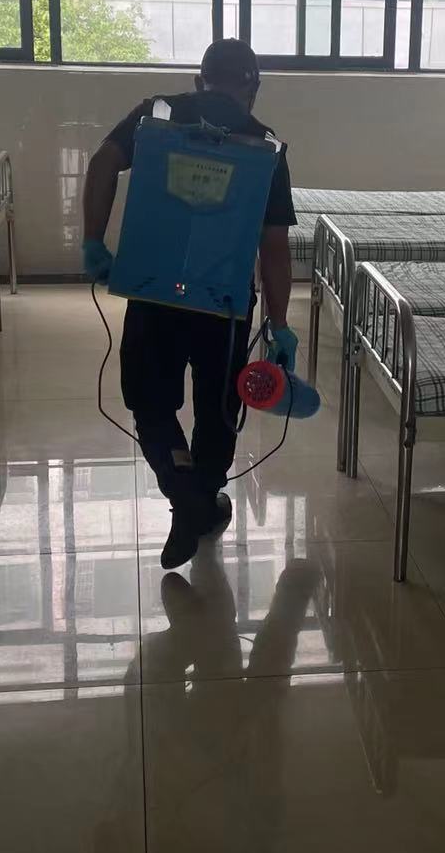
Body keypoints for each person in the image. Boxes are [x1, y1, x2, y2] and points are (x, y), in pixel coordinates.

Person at [81, 37, 298, 570]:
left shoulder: (157, 114)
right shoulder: (265, 144)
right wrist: (279, 323)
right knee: (218, 410)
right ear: (254, 88)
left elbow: (102, 163)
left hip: (154, 289)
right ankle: (200, 496)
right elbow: (273, 246)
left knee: (151, 401)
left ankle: (183, 490)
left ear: (200, 80)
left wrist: (93, 241)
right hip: (224, 304)